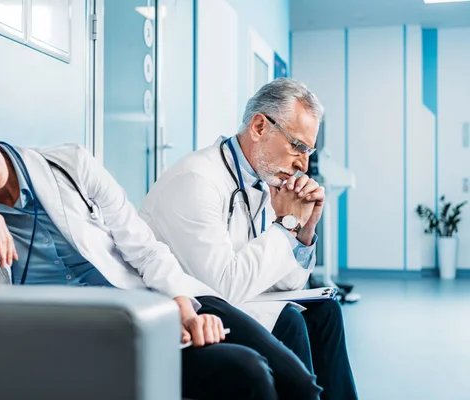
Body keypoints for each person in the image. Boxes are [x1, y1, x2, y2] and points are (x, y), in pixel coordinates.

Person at [0, 108, 324, 400]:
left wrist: (183, 307)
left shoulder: (69, 164)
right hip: (108, 341)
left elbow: (145, 251)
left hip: (169, 299)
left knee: (301, 385)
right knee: (247, 375)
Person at [140, 78, 358, 399]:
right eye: (298, 146)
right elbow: (224, 288)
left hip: (236, 299)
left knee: (326, 310)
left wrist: (305, 229)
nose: (304, 164)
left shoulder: (259, 183)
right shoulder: (197, 180)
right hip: (192, 311)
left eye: (308, 151)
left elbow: (287, 284)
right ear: (259, 126)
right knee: (290, 321)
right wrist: (286, 225)